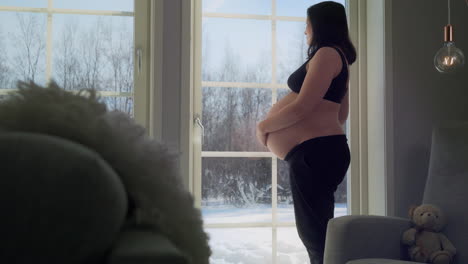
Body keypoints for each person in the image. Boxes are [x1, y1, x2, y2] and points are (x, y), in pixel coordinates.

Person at [256, 1, 356, 263]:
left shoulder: (326, 54)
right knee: (319, 234)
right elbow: (340, 114)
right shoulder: (339, 58)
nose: (305, 32)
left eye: (307, 25)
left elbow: (302, 108)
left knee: (316, 237)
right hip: (320, 152)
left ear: (319, 26)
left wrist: (264, 127)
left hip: (315, 154)